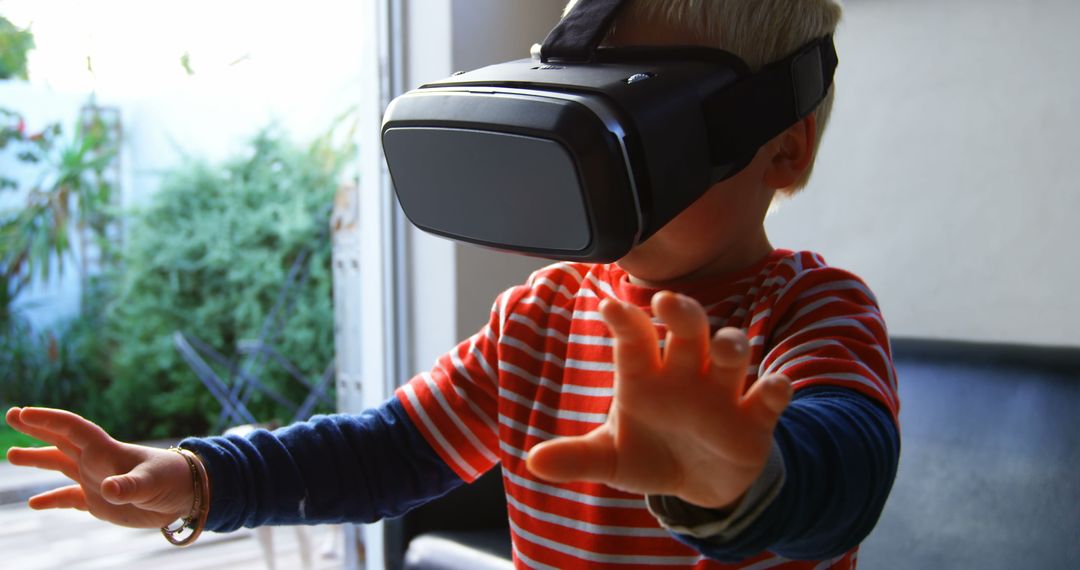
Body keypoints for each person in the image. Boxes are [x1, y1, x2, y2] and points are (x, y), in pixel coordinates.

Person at [5, 0, 900, 567]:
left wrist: (752, 477)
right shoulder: (543, 319)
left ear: (784, 146)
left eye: (651, 133)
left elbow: (849, 468)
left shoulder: (810, 312)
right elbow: (390, 451)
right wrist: (200, 477)